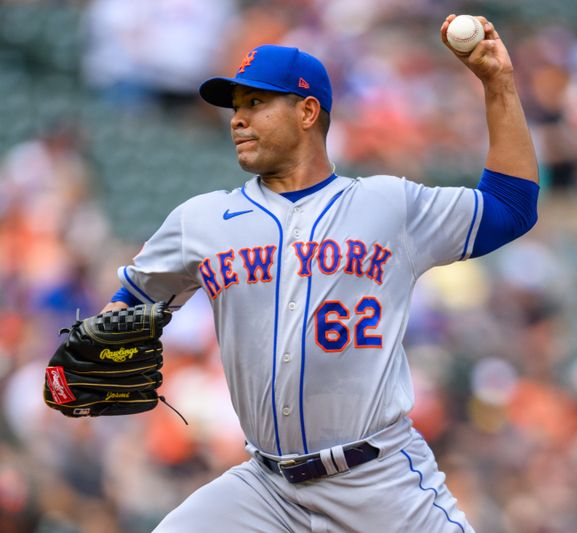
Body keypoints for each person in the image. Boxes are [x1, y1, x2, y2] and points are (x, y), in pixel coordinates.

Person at [103, 14, 538, 532]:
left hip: (378, 482)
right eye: (235, 106)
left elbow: (512, 206)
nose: (238, 119)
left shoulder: (388, 205)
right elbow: (131, 302)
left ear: (308, 111)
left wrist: (498, 83)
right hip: (265, 490)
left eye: (256, 103)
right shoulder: (201, 221)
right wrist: (96, 349)